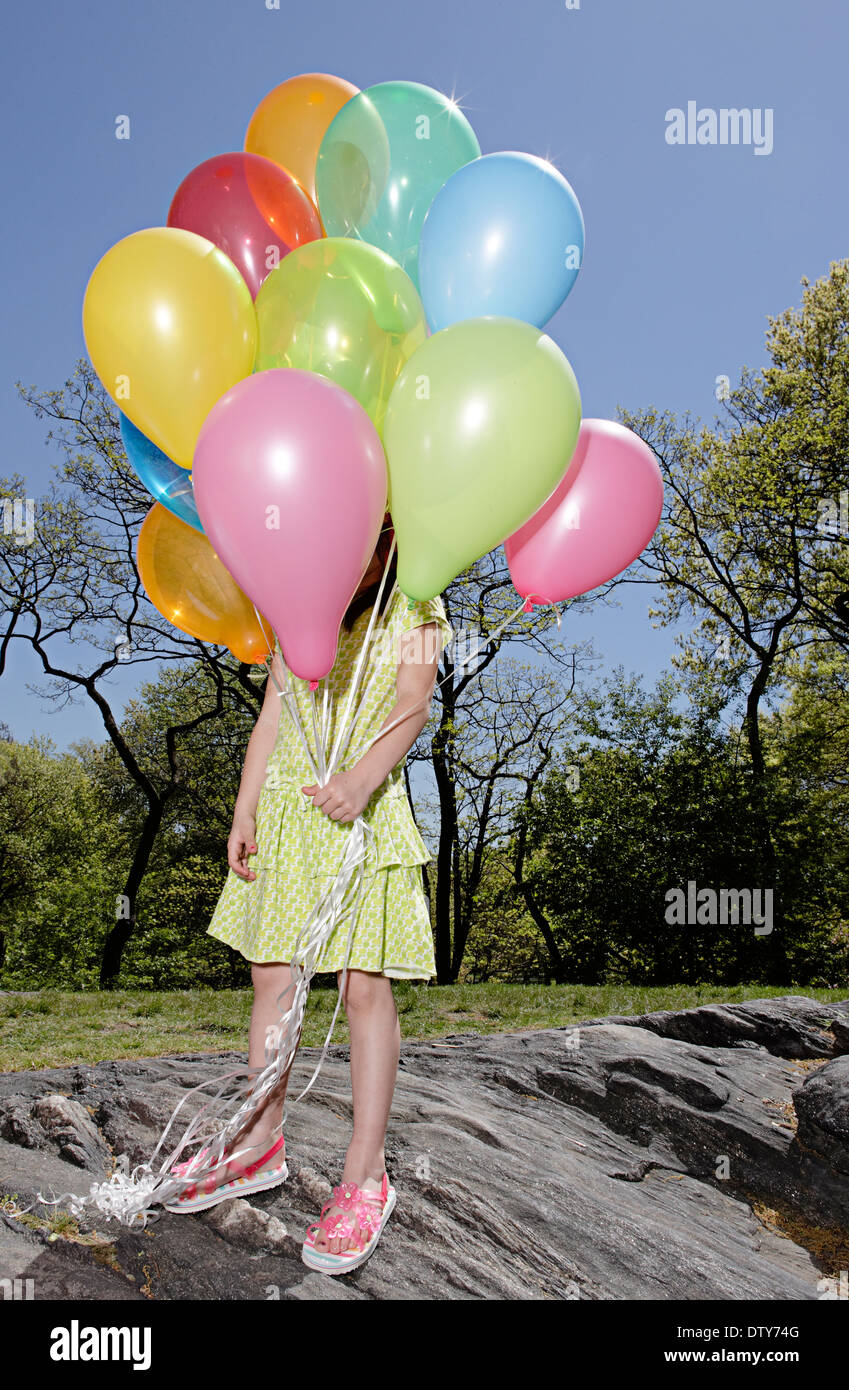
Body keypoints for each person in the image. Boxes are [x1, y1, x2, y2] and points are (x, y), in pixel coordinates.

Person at [166, 512, 452, 1275]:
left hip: (362, 806)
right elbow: (274, 712)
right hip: (290, 813)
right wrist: (245, 807)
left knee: (362, 986)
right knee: (271, 976)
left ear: (390, 534)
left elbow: (413, 701)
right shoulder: (299, 599)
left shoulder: (417, 602)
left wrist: (360, 780)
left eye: (369, 536)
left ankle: (365, 1176)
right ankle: (259, 1143)